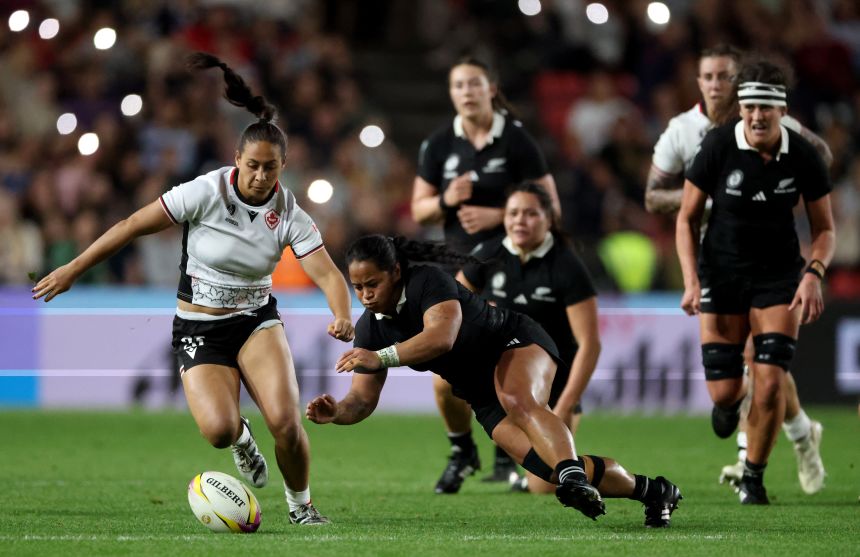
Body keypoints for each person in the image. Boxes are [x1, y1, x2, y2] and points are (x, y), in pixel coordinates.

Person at [32, 53, 355, 525]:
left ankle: (301, 508)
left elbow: (327, 273)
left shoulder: (289, 213)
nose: (261, 177)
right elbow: (129, 226)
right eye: (253, 166)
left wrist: (341, 313)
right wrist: (73, 268)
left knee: (286, 422)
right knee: (220, 431)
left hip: (255, 322)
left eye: (271, 168)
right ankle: (243, 440)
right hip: (199, 326)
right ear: (236, 160)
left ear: (283, 166)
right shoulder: (204, 191)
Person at [306, 235, 682, 527]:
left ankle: (574, 478)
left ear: (397, 272)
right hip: (478, 390)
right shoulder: (371, 329)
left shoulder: (427, 281)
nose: (366, 295)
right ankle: (652, 490)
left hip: (514, 342)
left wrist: (382, 356)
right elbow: (362, 399)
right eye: (358, 287)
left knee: (518, 398)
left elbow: (441, 338)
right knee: (545, 470)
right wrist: (337, 411)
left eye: (373, 283)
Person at [646, 45, 828, 495]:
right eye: (749, 107)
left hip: (778, 277)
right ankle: (761, 416)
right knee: (725, 395)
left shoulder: (801, 152)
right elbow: (684, 218)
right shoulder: (712, 142)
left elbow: (825, 227)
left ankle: (753, 476)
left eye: (766, 106)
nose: (757, 116)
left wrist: (814, 273)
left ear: (782, 110)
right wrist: (691, 281)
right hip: (722, 274)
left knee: (768, 382)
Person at [411, 56, 561, 492]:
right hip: (456, 277)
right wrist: (445, 200)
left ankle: (511, 459)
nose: (467, 92)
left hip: (508, 271)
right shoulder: (439, 144)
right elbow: (419, 206)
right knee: (445, 380)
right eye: (459, 85)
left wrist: (498, 212)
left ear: (491, 88)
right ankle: (463, 450)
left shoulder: (516, 141)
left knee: (507, 370)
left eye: (474, 83)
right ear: (451, 93)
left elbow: (551, 206)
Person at [457, 183, 600, 494]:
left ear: (549, 219)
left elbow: (590, 344)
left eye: (531, 213)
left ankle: (633, 483)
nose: (520, 220)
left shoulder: (566, 266)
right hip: (504, 377)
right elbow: (452, 308)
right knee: (443, 382)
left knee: (546, 484)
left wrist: (565, 404)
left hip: (553, 382)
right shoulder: (488, 255)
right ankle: (461, 449)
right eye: (513, 213)